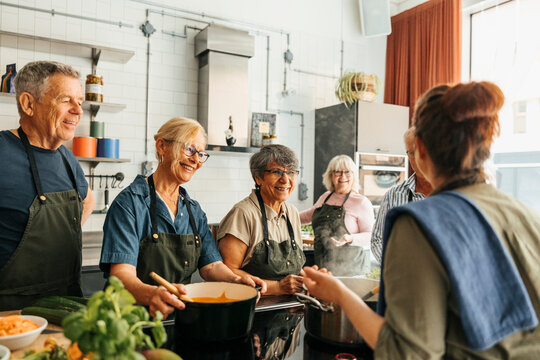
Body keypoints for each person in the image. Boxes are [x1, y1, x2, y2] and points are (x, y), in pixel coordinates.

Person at [302, 82, 540, 358]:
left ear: (421, 149)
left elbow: (407, 353)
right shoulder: (524, 214)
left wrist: (341, 293)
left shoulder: (419, 223)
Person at [100, 117, 266, 319]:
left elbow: (211, 266)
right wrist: (153, 294)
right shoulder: (129, 204)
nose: (196, 160)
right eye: (189, 149)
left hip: (181, 318)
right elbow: (121, 276)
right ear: (162, 146)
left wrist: (235, 280)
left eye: (201, 154)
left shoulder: (193, 211)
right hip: (134, 321)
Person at [0, 61, 95, 310]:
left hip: (68, 311)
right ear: (28, 104)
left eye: (80, 102)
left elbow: (88, 200)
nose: (78, 111)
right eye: (66, 100)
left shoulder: (67, 159)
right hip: (10, 317)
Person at [218, 144, 306, 295]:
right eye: (276, 172)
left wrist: (305, 280)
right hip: (255, 310)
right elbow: (227, 272)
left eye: (291, 172)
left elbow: (293, 268)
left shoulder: (292, 212)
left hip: (291, 311)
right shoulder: (243, 213)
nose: (285, 180)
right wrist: (277, 287)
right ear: (258, 178)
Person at [299, 155, 374, 276]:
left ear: (354, 175)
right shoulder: (325, 197)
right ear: (330, 176)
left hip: (350, 272)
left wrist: (350, 238)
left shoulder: (361, 202)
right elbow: (307, 216)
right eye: (338, 172)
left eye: (347, 172)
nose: (343, 176)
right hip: (322, 268)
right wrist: (285, 216)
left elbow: (371, 236)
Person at [370, 127, 432, 263]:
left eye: (423, 151)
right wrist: (397, 267)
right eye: (412, 152)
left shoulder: (453, 194)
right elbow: (378, 240)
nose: (418, 158)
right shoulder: (393, 196)